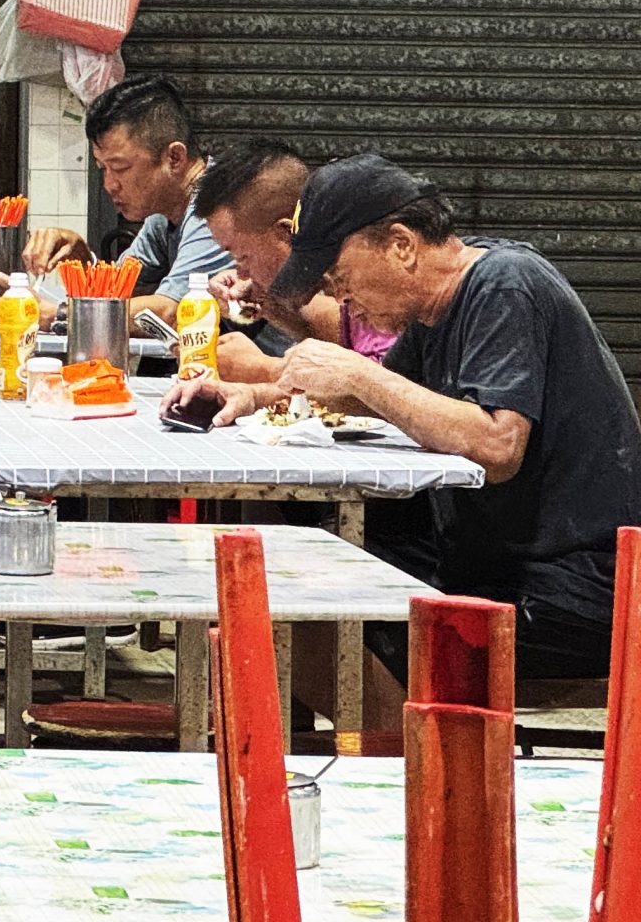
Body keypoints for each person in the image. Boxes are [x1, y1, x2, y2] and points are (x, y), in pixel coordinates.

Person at [189, 153, 641, 679]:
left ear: (401, 245)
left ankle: (416, 735)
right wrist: (254, 396)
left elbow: (498, 446)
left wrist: (361, 375)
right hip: (491, 564)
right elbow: (377, 399)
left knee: (317, 626)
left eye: (340, 276)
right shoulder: (433, 311)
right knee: (290, 580)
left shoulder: (504, 284)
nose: (340, 297)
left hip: (572, 587)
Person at [0, 73, 233, 326]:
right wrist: (82, 259)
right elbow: (117, 292)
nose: (109, 185)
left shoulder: (219, 207)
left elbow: (173, 311)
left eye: (120, 168)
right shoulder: (163, 215)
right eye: (102, 169)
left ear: (174, 158)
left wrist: (56, 315)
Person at [192, 139, 401, 379]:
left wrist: (265, 370)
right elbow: (346, 345)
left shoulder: (378, 288)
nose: (242, 273)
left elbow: (386, 390)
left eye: (242, 257)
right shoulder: (345, 295)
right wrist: (268, 304)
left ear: (287, 232)